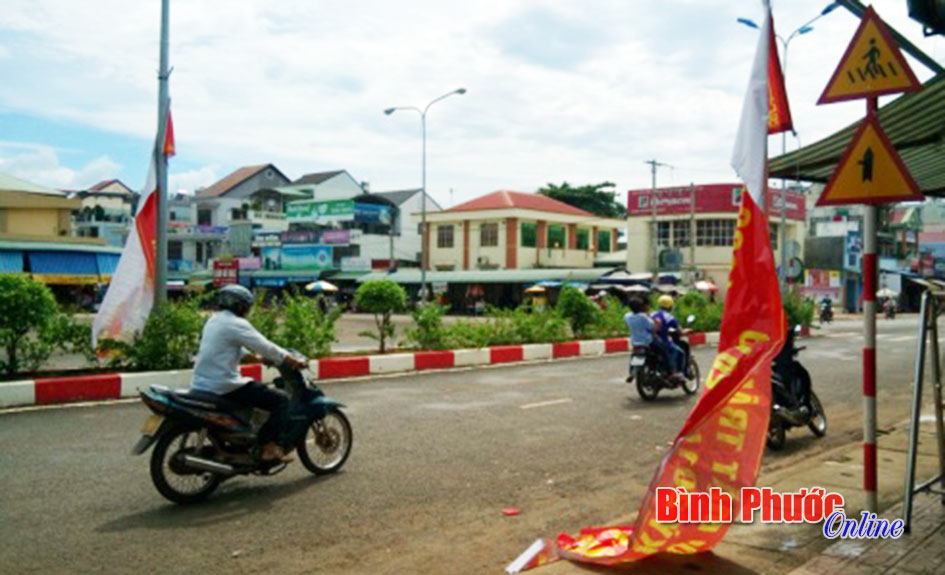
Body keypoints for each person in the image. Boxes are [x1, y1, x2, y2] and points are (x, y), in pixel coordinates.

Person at [191, 284, 308, 463]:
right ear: (240, 306)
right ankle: (268, 447)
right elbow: (265, 346)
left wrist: (259, 359)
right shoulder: (236, 323)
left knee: (257, 391)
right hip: (224, 384)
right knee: (281, 400)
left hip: (201, 383)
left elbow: (233, 349)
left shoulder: (214, 320)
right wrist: (291, 360)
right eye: (247, 306)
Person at [624, 297, 686, 385]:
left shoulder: (627, 316)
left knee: (635, 356)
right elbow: (654, 329)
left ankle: (632, 372)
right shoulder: (644, 317)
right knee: (665, 351)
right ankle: (672, 373)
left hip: (635, 342)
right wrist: (658, 323)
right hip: (648, 341)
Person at [651, 295, 688, 378]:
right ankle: (675, 372)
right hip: (663, 341)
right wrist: (685, 331)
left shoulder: (652, 314)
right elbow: (679, 330)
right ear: (670, 306)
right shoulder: (669, 317)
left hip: (651, 341)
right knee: (679, 352)